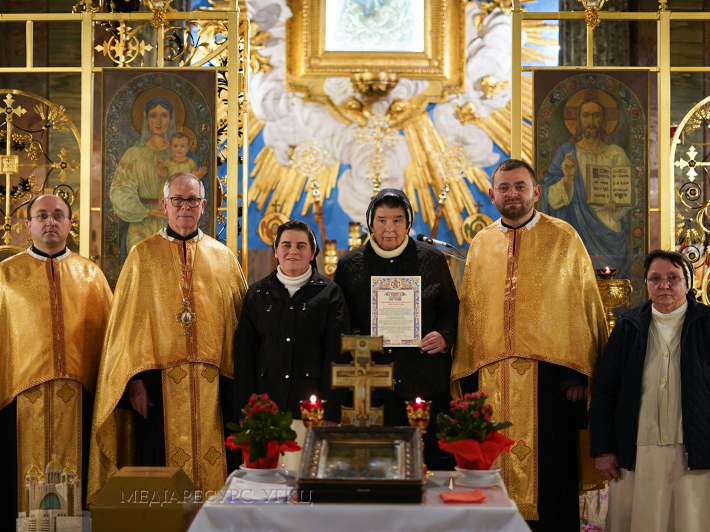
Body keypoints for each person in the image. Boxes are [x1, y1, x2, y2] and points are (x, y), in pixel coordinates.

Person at [451, 159, 608, 530]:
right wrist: (470, 378)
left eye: (520, 186)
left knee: (552, 480)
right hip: (491, 383)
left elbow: (579, 307)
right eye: (504, 188)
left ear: (536, 192)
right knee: (488, 481)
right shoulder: (481, 243)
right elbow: (470, 315)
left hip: (551, 385)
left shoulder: (563, 237)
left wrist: (574, 377)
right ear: (491, 195)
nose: (512, 194)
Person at [88, 172, 247, 502]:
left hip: (215, 389)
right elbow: (125, 333)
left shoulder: (224, 259)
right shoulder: (142, 256)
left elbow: (240, 330)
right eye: (178, 200)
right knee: (161, 486)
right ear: (165, 205)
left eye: (192, 200)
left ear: (204, 206)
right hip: (157, 389)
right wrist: (133, 384)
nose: (184, 207)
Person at [0, 195, 112, 527]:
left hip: (78, 400)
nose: (51, 221)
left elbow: (110, 341)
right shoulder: (5, 277)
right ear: (28, 225)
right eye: (43, 215)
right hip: (18, 399)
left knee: (74, 496)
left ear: (70, 223)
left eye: (58, 215)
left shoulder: (91, 275)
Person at [334, 188, 459, 471]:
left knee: (431, 469)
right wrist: (357, 343)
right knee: (376, 470)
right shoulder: (349, 264)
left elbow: (450, 308)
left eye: (397, 220)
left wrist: (445, 336)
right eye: (381, 220)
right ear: (370, 222)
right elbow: (341, 319)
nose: (389, 228)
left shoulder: (432, 259)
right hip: (372, 386)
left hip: (424, 380)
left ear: (408, 223)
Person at [590, 250, 710, 531]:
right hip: (637, 451)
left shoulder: (706, 323)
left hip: (696, 452)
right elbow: (605, 391)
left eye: (672, 278)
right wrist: (604, 449)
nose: (663, 285)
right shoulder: (628, 326)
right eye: (655, 278)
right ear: (646, 283)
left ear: (687, 283)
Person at [234, 220, 350, 420]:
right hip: (265, 406)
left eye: (301, 246)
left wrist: (330, 412)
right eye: (286, 245)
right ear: (276, 251)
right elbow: (245, 355)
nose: (293, 251)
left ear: (312, 253)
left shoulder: (330, 294)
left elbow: (338, 355)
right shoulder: (257, 293)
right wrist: (246, 408)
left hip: (312, 408)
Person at [540, 97, 633, 278]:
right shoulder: (566, 153)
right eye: (586, 115)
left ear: (603, 120)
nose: (591, 121)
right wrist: (567, 179)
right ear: (579, 120)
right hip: (575, 235)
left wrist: (619, 206)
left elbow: (628, 195)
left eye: (596, 116)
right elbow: (549, 198)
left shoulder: (616, 154)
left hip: (609, 231)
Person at [110, 97, 176, 252]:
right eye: (153, 116)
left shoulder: (180, 155)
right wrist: (146, 211)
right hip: (141, 220)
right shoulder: (134, 154)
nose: (159, 121)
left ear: (171, 120)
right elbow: (120, 190)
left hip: (173, 219)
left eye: (164, 116)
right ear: (146, 120)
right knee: (139, 251)